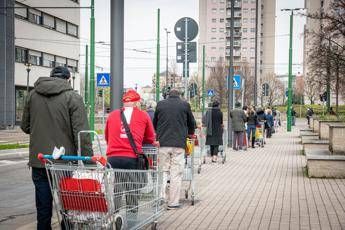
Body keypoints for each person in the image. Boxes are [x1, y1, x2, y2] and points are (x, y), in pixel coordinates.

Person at [21, 66, 92, 230]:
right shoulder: (73, 97)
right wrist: (89, 162)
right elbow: (81, 134)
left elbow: (25, 126)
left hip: (40, 161)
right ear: (68, 79)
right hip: (64, 162)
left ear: (51, 76)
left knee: (43, 205)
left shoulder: (32, 95)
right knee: (67, 204)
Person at [104, 89, 158, 213]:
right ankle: (132, 216)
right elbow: (150, 137)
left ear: (124, 103)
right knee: (132, 188)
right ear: (136, 103)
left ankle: (115, 215)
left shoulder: (112, 115)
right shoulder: (143, 115)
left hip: (113, 158)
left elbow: (107, 136)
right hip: (131, 157)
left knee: (117, 187)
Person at [153, 89, 196, 209]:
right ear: (180, 95)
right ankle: (173, 202)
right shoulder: (185, 105)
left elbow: (155, 123)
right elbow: (191, 123)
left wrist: (159, 134)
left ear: (167, 95)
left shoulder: (160, 104)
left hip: (163, 143)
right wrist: (190, 133)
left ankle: (160, 198)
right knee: (176, 173)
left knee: (163, 172)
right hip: (179, 144)